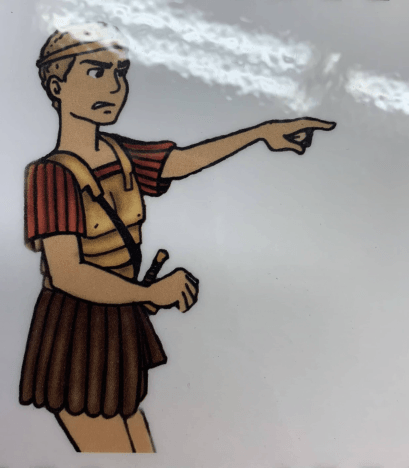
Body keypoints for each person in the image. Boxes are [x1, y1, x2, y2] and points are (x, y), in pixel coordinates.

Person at [19, 22, 336, 453]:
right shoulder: (50, 175)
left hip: (120, 318)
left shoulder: (119, 152)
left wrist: (261, 132)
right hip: (76, 333)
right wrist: (149, 292)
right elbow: (68, 273)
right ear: (57, 86)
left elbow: (181, 161)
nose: (113, 87)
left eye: (119, 73)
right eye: (95, 72)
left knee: (141, 450)